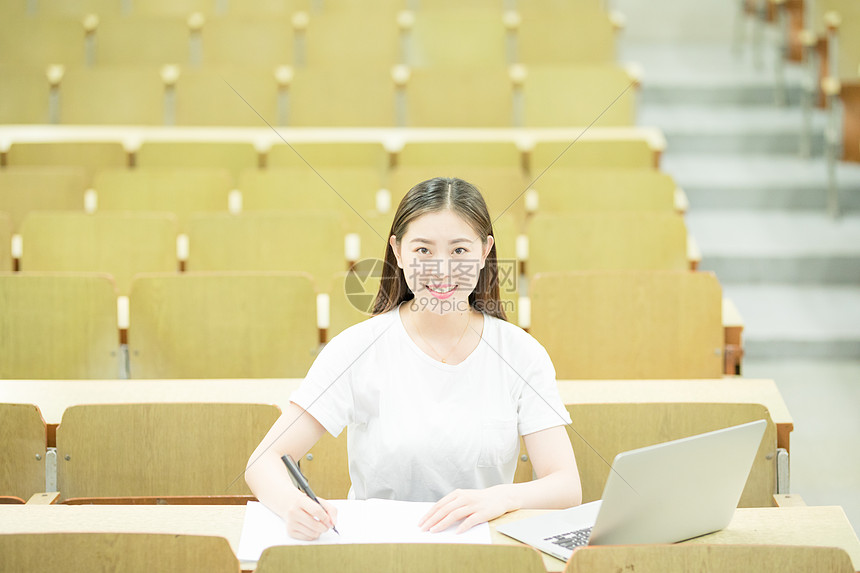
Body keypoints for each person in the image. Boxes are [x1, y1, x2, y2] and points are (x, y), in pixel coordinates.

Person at [245, 177, 581, 541]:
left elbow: (566, 485)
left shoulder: (521, 353)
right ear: (398, 252)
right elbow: (263, 461)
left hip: (482, 553)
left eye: (459, 251)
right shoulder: (356, 348)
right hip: (378, 552)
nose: (441, 269)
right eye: (423, 251)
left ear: (485, 253)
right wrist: (291, 504)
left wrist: (501, 497)